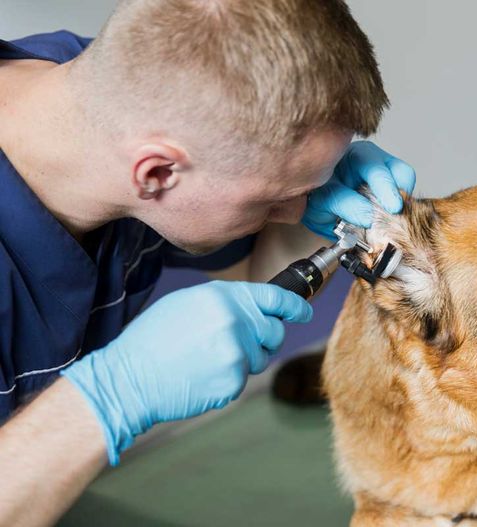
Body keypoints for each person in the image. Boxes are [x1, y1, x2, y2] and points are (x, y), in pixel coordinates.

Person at [0, 1, 416, 524]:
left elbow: (250, 263)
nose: (290, 212)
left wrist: (330, 207)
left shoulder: (113, 98)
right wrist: (109, 399)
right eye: (276, 199)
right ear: (155, 173)